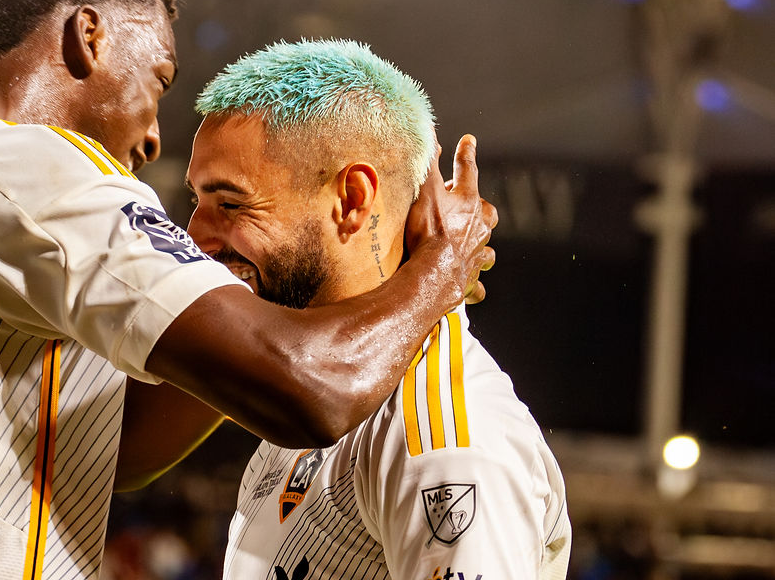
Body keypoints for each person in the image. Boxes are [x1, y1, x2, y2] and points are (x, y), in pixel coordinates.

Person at [0, 0, 497, 580]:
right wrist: (440, 265)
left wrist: (251, 288)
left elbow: (109, 447)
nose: (154, 132)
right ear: (89, 36)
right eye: (158, 79)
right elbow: (316, 390)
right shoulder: (35, 171)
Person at [180, 39, 571, 580]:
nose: (196, 235)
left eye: (231, 203)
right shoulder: (310, 377)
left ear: (351, 200)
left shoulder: (446, 438)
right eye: (196, 202)